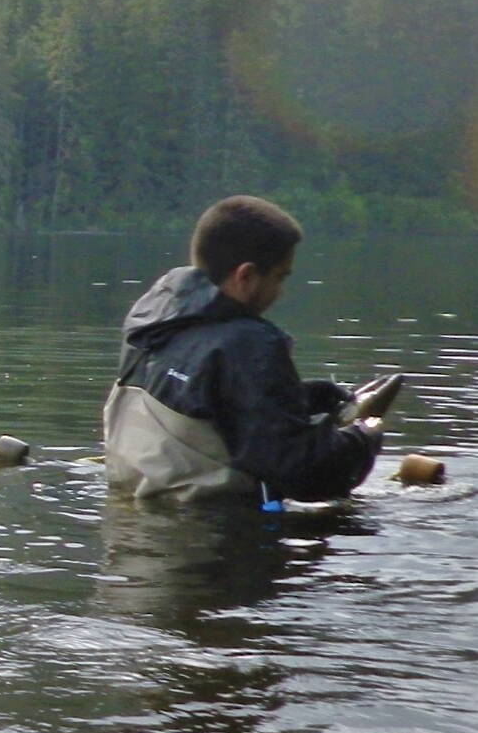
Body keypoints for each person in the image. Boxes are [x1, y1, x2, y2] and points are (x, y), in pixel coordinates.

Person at [103, 195, 386, 504]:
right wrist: (364, 437)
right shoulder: (249, 345)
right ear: (246, 276)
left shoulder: (150, 320)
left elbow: (201, 401)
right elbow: (307, 476)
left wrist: (299, 399)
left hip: (130, 519)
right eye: (280, 277)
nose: (281, 292)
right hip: (212, 537)